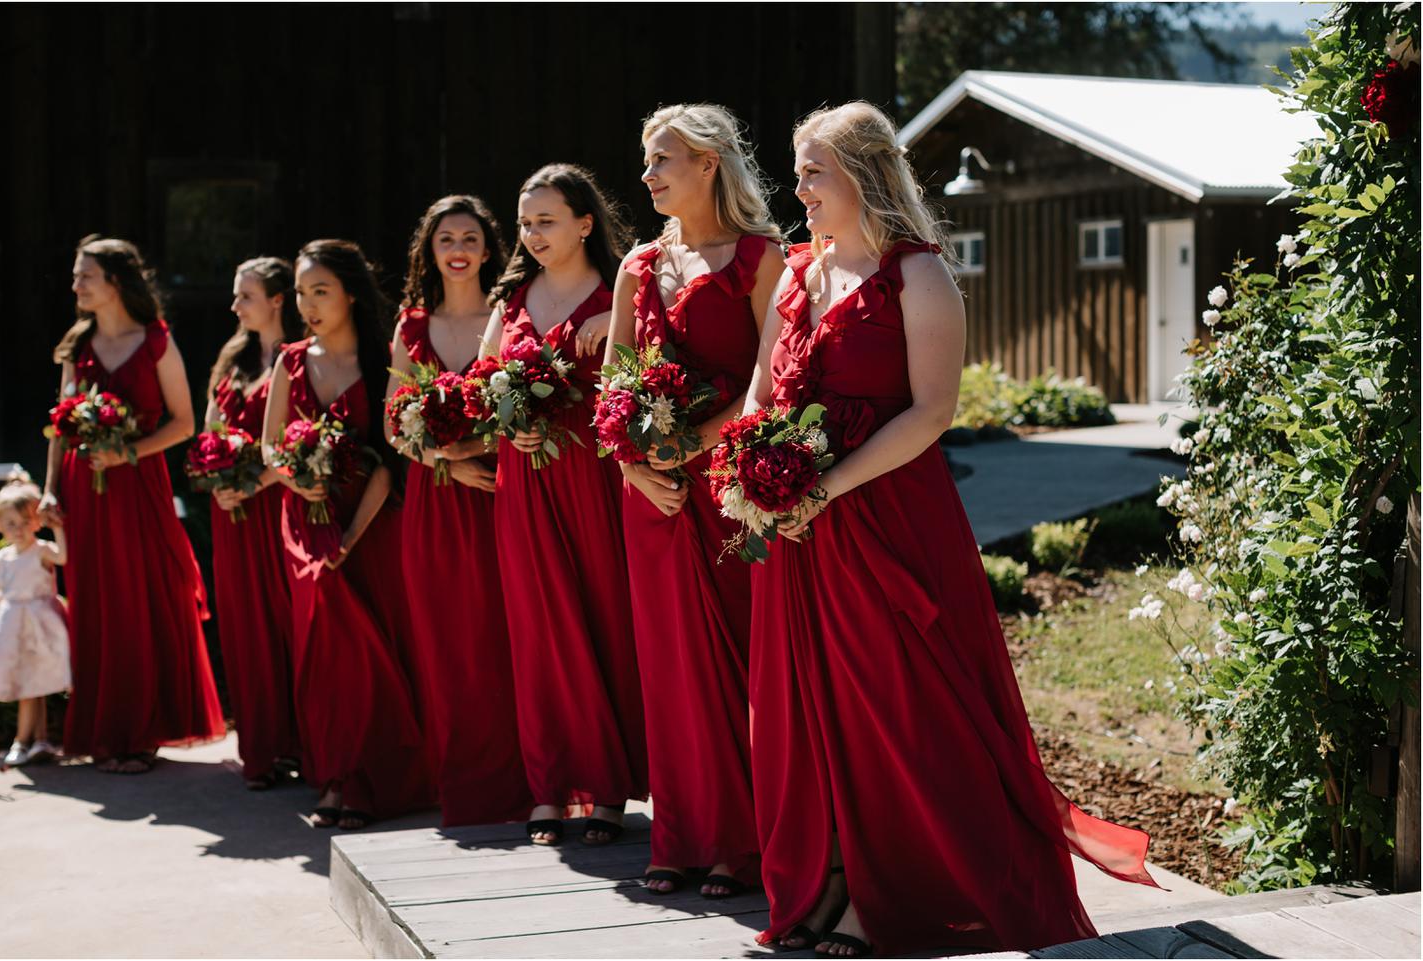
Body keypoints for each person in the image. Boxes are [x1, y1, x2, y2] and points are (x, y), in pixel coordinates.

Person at [745, 103, 1156, 957]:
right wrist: (752, 473)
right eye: (799, 171)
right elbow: (760, 391)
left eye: (815, 171)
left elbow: (933, 413)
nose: (801, 187)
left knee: (899, 708)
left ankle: (886, 897)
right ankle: (827, 879)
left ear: (864, 175)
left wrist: (827, 487)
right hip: (800, 530)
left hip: (888, 517)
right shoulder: (795, 274)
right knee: (808, 707)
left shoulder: (918, 276)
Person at [603, 104, 785, 897]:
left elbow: (772, 374)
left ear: (709, 162)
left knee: (742, 660)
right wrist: (631, 465)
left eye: (661, 159)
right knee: (670, 664)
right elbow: (614, 377)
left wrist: (700, 441)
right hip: (652, 493)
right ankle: (680, 835)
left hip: (731, 485)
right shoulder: (637, 264)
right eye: (647, 161)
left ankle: (744, 842)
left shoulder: (762, 256)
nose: (646, 175)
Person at [479, 163, 647, 845]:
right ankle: (549, 786)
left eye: (546, 220)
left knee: (606, 619)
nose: (532, 233)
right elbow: (484, 382)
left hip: (595, 477)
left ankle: (609, 788)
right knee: (538, 630)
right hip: (525, 482)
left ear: (584, 223)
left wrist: (616, 317)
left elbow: (644, 376)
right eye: (525, 223)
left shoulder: (619, 291)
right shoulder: (511, 296)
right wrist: (507, 420)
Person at [260, 239, 432, 829]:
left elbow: (390, 459)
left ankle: (369, 780)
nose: (307, 305)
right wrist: (296, 478)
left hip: (373, 521)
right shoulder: (288, 361)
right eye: (301, 293)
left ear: (350, 294)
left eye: (320, 291)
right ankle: (334, 775)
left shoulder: (383, 359)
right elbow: (270, 447)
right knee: (324, 649)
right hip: (305, 521)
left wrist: (351, 537)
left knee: (373, 648)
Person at [40, 235, 225, 774]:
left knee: (140, 598)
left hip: (138, 485)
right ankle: (105, 731)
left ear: (115, 282)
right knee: (95, 602)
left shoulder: (156, 340)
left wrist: (127, 453)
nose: (75, 285)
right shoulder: (79, 344)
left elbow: (183, 424)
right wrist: (51, 488)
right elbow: (60, 425)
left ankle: (143, 732)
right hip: (84, 488)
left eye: (86, 275)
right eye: (76, 275)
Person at [386, 195, 532, 826]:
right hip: (435, 500)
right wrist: (445, 459)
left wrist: (474, 451)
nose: (458, 250)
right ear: (430, 250)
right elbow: (393, 426)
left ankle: (517, 785)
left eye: (470, 238)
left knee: (499, 636)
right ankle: (459, 787)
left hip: (497, 494)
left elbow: (520, 409)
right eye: (446, 239)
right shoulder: (411, 325)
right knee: (445, 641)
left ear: (488, 248)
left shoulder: (509, 313)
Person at [203, 257, 305, 790]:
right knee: (247, 627)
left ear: (276, 300)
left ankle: (305, 744)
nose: (234, 306)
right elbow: (210, 431)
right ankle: (262, 750)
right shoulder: (232, 359)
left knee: (291, 622)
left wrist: (257, 483)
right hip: (234, 513)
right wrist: (216, 476)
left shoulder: (299, 356)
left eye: (246, 296)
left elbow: (301, 436)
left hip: (280, 501)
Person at [0, 476, 70, 767]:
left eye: (25, 522)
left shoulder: (42, 550)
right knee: (30, 683)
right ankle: (37, 739)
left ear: (36, 522)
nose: (18, 529)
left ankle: (22, 741)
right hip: (13, 626)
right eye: (11, 523)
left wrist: (57, 528)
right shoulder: (3, 557)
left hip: (40, 625)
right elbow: (3, 591)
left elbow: (63, 557)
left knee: (34, 685)